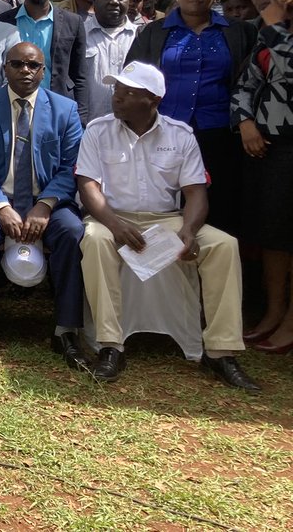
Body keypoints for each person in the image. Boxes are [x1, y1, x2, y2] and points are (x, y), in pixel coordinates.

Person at [76, 61, 259, 391]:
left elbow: (196, 194)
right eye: (116, 89)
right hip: (112, 216)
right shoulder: (98, 130)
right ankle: (110, 345)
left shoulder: (180, 135)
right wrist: (115, 224)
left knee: (223, 245)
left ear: (153, 100)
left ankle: (220, 351)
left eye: (128, 92)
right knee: (94, 239)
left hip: (167, 219)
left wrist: (188, 231)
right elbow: (88, 186)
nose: (117, 97)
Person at [0, 42, 86, 365]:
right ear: (5, 68)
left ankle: (65, 329)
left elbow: (71, 167)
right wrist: (1, 207)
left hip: (49, 201)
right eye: (17, 64)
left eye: (33, 65)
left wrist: (44, 205)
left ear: (44, 71)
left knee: (72, 231)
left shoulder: (65, 109)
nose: (25, 71)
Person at [126, 0, 257, 237]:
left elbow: (249, 79)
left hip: (220, 133)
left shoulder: (238, 31)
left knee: (220, 205)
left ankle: (214, 268)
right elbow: (132, 79)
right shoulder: (153, 33)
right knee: (168, 204)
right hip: (165, 133)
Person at [232, 0, 293, 352]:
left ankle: (290, 322)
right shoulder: (271, 36)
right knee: (273, 236)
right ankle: (272, 313)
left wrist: (272, 21)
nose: (283, 0)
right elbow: (245, 83)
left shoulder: (275, 35)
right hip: (269, 149)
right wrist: (245, 123)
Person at [0, 0, 89, 123]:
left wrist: (81, 117)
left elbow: (80, 75)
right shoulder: (3, 21)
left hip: (58, 110)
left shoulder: (72, 22)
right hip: (11, 110)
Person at [84, 0, 138, 120]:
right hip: (88, 127)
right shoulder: (78, 35)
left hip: (132, 127)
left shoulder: (142, 36)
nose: (114, 2)